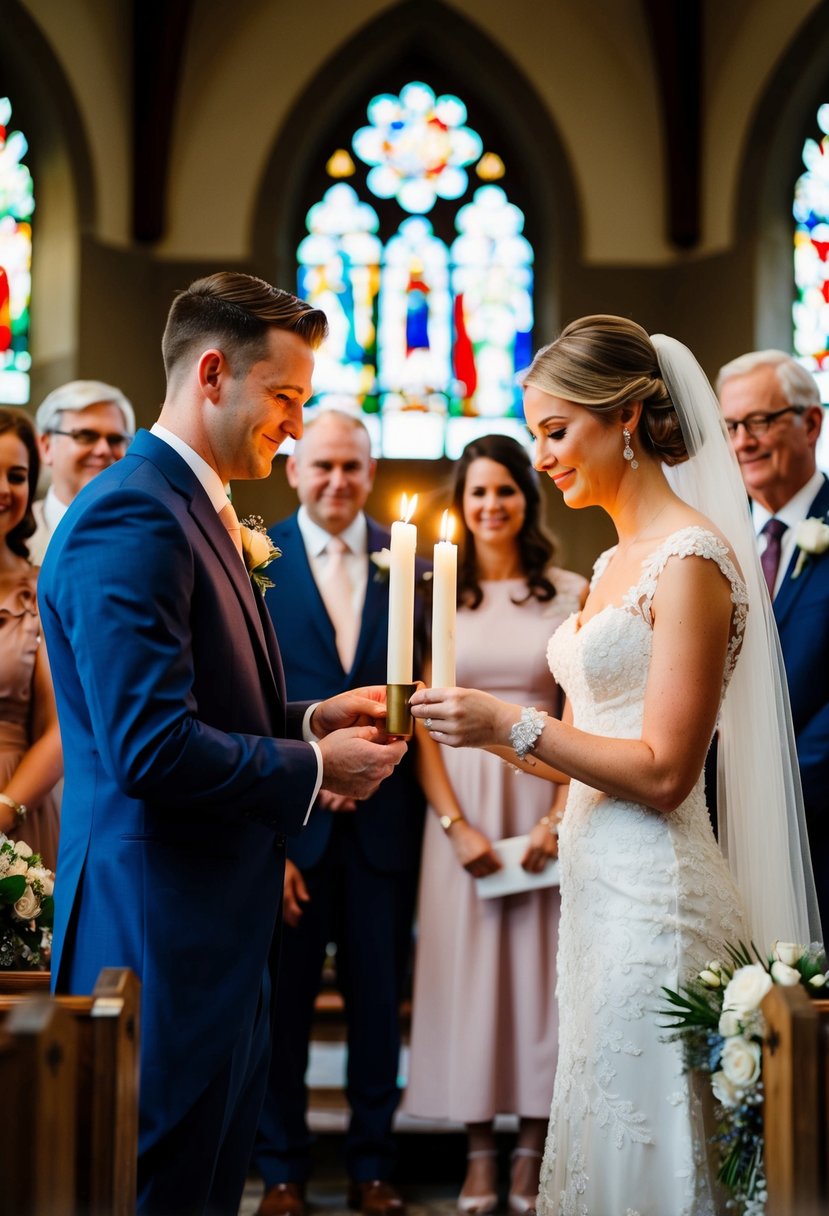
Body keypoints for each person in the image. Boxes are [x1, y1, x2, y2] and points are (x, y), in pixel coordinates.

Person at [409, 316, 820, 1215]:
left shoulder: (691, 559)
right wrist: (474, 734)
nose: (542, 456)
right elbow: (590, 744)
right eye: (536, 435)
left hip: (657, 898)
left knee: (656, 1131)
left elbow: (666, 770)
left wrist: (511, 727)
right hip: (592, 890)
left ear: (627, 418)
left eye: (557, 431)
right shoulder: (607, 564)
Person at [37, 272, 409, 1216]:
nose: (294, 424)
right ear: (213, 373)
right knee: (153, 1187)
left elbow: (198, 702)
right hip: (159, 928)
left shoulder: (193, 506)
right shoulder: (135, 512)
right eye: (283, 398)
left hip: (213, 923)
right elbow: (148, 747)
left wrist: (307, 721)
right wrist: (318, 768)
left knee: (204, 1187)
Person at [403, 435, 587, 1214]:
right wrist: (452, 825)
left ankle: (531, 1154)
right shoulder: (437, 595)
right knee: (469, 980)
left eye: (504, 490)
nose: (490, 505)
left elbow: (581, 707)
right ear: (460, 503)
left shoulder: (569, 591)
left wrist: (558, 813)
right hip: (462, 809)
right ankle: (478, 1151)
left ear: (525, 498)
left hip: (547, 787)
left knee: (544, 983)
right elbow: (415, 719)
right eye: (476, 492)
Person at [252, 410, 428, 1216]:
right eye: (320, 466)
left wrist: (376, 771)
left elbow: (424, 688)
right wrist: (282, 814)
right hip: (291, 831)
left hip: (384, 832)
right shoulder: (256, 564)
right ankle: (281, 1168)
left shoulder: (411, 569)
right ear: (294, 471)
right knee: (280, 1011)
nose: (335, 481)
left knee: (376, 1007)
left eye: (351, 468)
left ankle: (371, 1167)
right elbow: (246, 704)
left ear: (369, 472)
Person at [718, 350, 829, 930]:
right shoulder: (713, 539)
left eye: (760, 422)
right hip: (722, 823)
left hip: (819, 816)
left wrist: (777, 783)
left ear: (810, 423)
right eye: (731, 426)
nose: (743, 442)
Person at [0, 408, 62, 870]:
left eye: (17, 476)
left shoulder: (43, 592)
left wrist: (4, 809)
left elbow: (60, 730)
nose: (4, 490)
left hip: (17, 810)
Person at [29, 379, 136, 563]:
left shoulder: (145, 534)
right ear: (46, 447)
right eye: (85, 436)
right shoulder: (13, 536)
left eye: (115, 439)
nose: (103, 450)